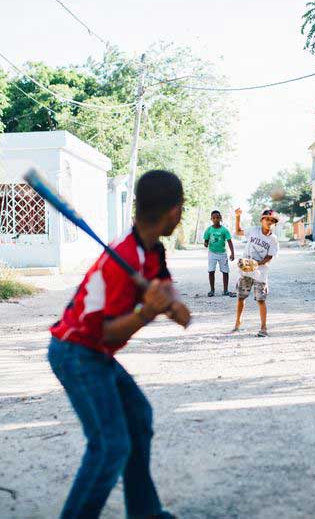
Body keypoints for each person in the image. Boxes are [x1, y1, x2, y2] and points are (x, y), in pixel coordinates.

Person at [48, 170, 190, 519]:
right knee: (110, 446)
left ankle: (144, 512)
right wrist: (146, 312)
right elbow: (107, 333)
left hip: (93, 354)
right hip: (76, 352)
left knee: (139, 417)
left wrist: (169, 304)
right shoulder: (120, 259)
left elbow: (178, 309)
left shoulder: (152, 251)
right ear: (174, 212)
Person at [232, 208, 279, 337]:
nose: (269, 222)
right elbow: (238, 231)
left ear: (274, 223)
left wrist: (258, 264)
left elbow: (270, 256)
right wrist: (237, 217)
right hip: (246, 270)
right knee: (241, 297)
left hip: (260, 273)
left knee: (261, 300)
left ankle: (264, 328)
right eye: (267, 219)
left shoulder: (273, 239)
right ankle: (237, 323)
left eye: (272, 220)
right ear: (261, 220)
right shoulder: (253, 230)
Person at [203, 210, 235, 297]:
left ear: (220, 218)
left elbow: (229, 241)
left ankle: (225, 290)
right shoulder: (208, 230)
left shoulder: (224, 230)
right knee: (211, 271)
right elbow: (205, 241)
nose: (216, 219)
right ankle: (212, 290)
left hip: (222, 253)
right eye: (214, 218)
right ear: (211, 219)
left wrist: (232, 253)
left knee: (225, 271)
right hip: (212, 253)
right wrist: (206, 244)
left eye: (217, 217)